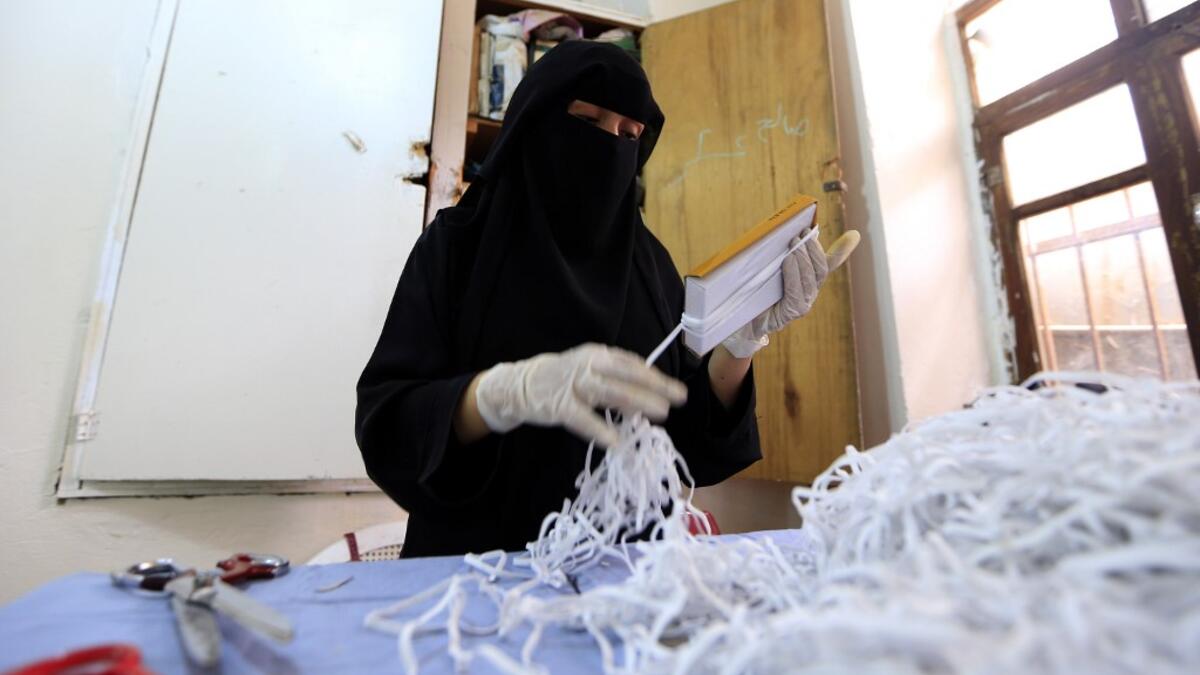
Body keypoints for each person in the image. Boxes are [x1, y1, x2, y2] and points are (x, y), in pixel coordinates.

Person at [355, 41, 830, 558]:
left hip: (625, 572)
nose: (609, 145)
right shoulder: (459, 246)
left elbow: (691, 443)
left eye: (629, 134)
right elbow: (389, 425)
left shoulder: (649, 265)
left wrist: (739, 342)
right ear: (534, 122)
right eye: (587, 120)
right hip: (477, 571)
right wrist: (499, 395)